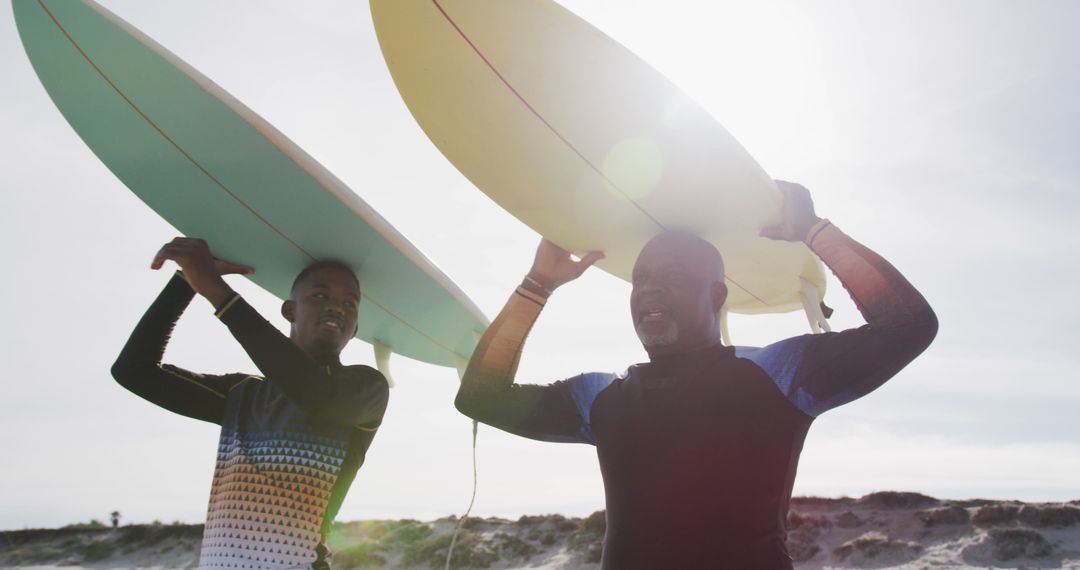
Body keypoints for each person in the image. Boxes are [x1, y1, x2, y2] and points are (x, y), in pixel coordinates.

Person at [455, 181, 938, 569]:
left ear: (717, 297)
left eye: (673, 273)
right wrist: (536, 286)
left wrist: (814, 231)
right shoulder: (602, 398)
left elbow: (909, 326)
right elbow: (480, 397)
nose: (650, 287)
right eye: (640, 278)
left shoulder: (774, 375)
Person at [112, 237, 389, 570]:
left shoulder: (366, 389)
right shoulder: (242, 395)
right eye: (320, 296)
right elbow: (134, 371)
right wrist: (185, 282)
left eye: (350, 304)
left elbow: (315, 395)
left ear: (354, 327)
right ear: (290, 310)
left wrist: (216, 291)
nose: (336, 307)